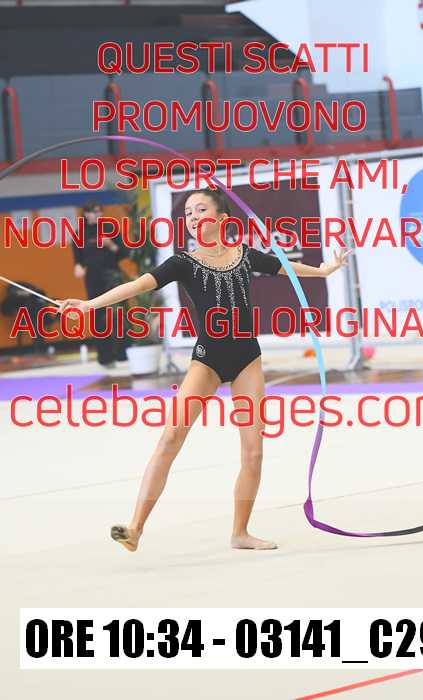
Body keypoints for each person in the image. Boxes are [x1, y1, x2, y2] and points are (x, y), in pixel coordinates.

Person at [58, 188, 350, 552]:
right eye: (188, 213)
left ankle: (240, 533)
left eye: (200, 210)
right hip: (208, 358)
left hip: (246, 358)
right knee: (170, 438)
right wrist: (89, 305)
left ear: (222, 219)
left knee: (254, 452)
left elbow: (284, 267)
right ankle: (135, 528)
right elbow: (137, 284)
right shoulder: (183, 263)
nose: (193, 217)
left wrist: (324, 271)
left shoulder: (244, 256)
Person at [71, 200, 130, 368]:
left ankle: (123, 353)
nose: (97, 215)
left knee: (119, 314)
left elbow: (124, 252)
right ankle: (105, 356)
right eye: (93, 212)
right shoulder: (80, 233)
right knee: (98, 316)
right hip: (93, 278)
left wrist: (110, 245)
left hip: (112, 275)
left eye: (99, 211)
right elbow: (78, 260)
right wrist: (78, 267)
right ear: (86, 214)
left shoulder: (110, 228)